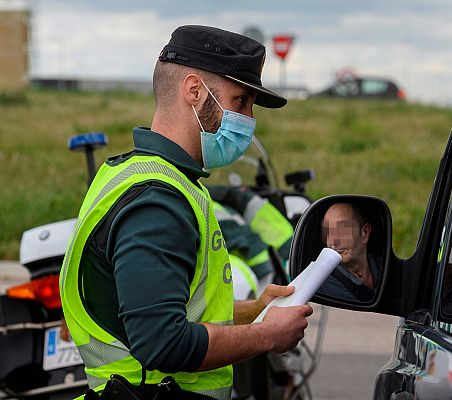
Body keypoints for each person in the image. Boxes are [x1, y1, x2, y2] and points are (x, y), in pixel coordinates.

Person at [59, 25, 312, 399]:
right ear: (194, 91)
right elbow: (162, 342)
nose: (249, 118)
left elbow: (175, 310)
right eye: (241, 101)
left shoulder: (142, 173)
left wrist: (255, 310)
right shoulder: (158, 200)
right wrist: (266, 335)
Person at [318, 203, 382, 302]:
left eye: (341, 230)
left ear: (365, 233)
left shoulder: (386, 268)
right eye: (327, 232)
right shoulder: (322, 285)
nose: (332, 242)